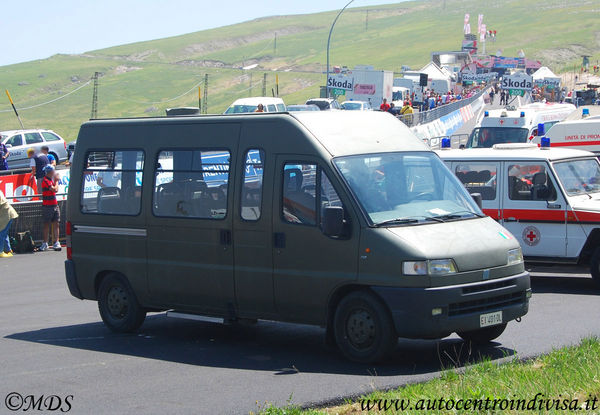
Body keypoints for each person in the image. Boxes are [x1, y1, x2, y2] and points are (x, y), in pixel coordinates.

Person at [40, 164, 61, 251]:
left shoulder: (50, 180)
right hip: (47, 206)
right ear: (50, 172)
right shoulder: (45, 181)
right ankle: (45, 242)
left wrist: (55, 181)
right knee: (46, 224)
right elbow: (55, 189)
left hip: (54, 205)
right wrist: (56, 181)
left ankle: (56, 242)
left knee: (56, 223)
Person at [0, 190, 18, 257]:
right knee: (4, 233)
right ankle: (8, 250)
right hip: (6, 215)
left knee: (2, 233)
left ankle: (1, 251)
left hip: (7, 216)